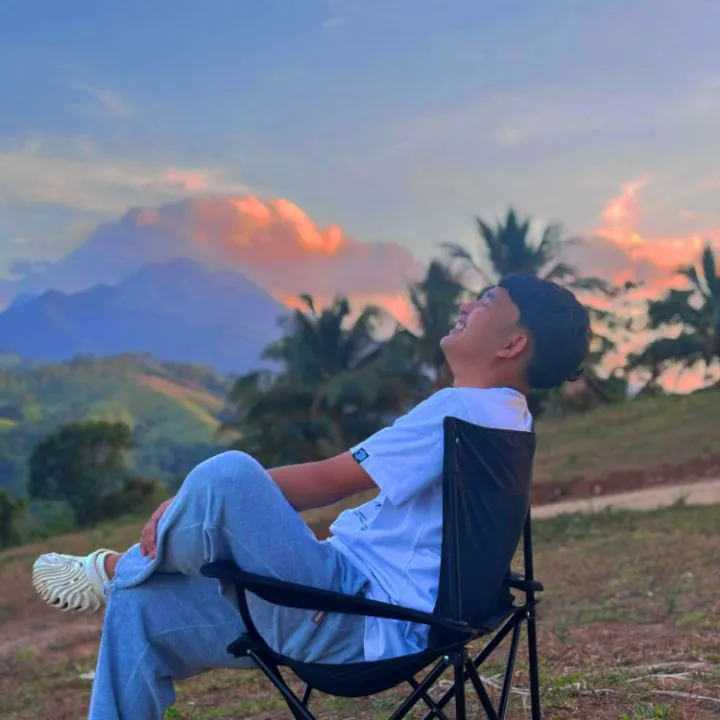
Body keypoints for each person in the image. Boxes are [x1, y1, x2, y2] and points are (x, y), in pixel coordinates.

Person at [32, 273, 590, 719]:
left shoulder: (460, 411)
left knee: (229, 475)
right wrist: (192, 510)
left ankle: (116, 568)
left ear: (513, 343)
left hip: (349, 621)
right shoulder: (509, 421)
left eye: (486, 301)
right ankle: (125, 577)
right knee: (140, 608)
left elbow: (329, 480)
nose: (467, 305)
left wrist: (202, 503)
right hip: (363, 612)